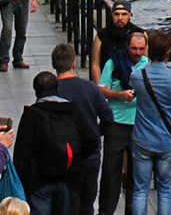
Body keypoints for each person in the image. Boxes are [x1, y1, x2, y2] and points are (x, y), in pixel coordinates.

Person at [129, 32, 171, 215]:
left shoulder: (137, 76)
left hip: (142, 139)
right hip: (166, 140)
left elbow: (132, 84)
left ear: (148, 51)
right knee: (165, 189)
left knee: (140, 189)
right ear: (168, 52)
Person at [14, 72, 97, 215]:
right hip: (68, 180)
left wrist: (25, 183)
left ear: (36, 92)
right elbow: (92, 140)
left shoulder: (32, 115)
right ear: (57, 88)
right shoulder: (72, 110)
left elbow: (22, 154)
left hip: (39, 183)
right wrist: (74, 159)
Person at [52, 45, 113, 215]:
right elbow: (108, 118)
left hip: (62, 154)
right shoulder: (90, 88)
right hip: (89, 154)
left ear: (54, 65)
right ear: (73, 64)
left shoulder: (52, 90)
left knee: (67, 201)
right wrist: (94, 133)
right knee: (86, 202)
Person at [97, 33, 147, 215]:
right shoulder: (113, 63)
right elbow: (101, 89)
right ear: (127, 46)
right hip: (116, 123)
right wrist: (120, 95)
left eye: (141, 49)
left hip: (139, 125)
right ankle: (105, 211)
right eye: (134, 48)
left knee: (137, 174)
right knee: (111, 173)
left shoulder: (147, 65)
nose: (137, 52)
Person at [90, 3, 140, 85]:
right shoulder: (102, 35)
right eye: (116, 14)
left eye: (124, 14)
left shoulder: (139, 33)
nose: (120, 18)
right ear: (112, 15)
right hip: (107, 81)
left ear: (130, 16)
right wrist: (101, 88)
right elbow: (95, 65)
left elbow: (146, 62)